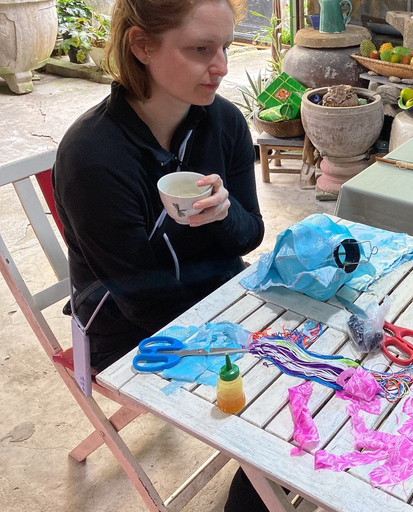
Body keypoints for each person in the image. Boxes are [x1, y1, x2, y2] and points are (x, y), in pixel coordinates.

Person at [52, 0, 268, 509]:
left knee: (329, 351)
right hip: (127, 328)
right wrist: (248, 337)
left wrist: (225, 215)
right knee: (283, 391)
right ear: (142, 46)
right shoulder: (94, 157)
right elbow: (139, 301)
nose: (221, 67)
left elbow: (248, 236)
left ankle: (265, 481)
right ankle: (262, 483)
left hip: (213, 297)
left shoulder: (224, 124)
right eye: (199, 50)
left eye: (225, 48)